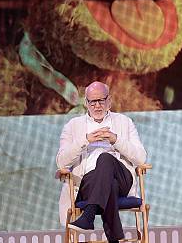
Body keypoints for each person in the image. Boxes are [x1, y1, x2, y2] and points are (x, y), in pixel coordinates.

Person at [56, 81, 147, 243]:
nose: (97, 106)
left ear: (109, 101)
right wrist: (85, 140)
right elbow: (61, 162)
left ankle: (89, 214)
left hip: (122, 180)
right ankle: (115, 238)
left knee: (105, 159)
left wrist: (115, 140)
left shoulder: (124, 122)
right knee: (108, 184)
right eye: (93, 102)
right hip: (88, 183)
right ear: (86, 103)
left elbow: (141, 158)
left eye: (101, 101)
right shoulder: (73, 126)